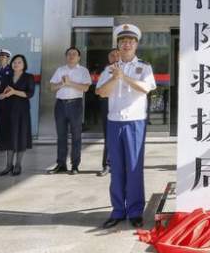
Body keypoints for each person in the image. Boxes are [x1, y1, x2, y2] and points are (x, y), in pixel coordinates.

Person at [97, 24, 156, 229]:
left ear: (136, 44)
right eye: (122, 41)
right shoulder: (109, 69)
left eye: (130, 41)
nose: (126, 44)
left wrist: (125, 77)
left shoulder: (144, 67)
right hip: (114, 122)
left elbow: (145, 88)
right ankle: (118, 211)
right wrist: (115, 78)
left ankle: (135, 211)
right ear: (118, 45)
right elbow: (102, 92)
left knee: (133, 167)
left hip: (135, 122)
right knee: (117, 169)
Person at [48, 47, 92, 175]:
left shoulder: (83, 71)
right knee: (61, 136)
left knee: (76, 136)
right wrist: (62, 84)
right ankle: (61, 164)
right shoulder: (60, 70)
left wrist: (70, 83)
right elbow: (52, 87)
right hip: (60, 105)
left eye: (74, 54)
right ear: (66, 57)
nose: (71, 56)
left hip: (75, 105)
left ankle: (75, 166)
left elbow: (85, 88)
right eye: (69, 54)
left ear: (79, 57)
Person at [0, 54, 35, 176]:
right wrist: (4, 95)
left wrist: (14, 92)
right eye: (14, 62)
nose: (16, 64)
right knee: (9, 138)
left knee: (20, 138)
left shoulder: (28, 77)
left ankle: (18, 165)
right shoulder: (6, 77)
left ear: (24, 65)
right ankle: (8, 166)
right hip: (8, 112)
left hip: (22, 112)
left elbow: (29, 94)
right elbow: (0, 95)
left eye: (19, 62)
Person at [95, 48, 120, 177]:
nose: (115, 56)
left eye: (117, 54)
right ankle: (107, 165)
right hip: (107, 104)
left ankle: (122, 165)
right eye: (112, 55)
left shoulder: (127, 68)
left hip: (123, 105)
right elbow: (97, 90)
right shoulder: (106, 71)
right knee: (109, 136)